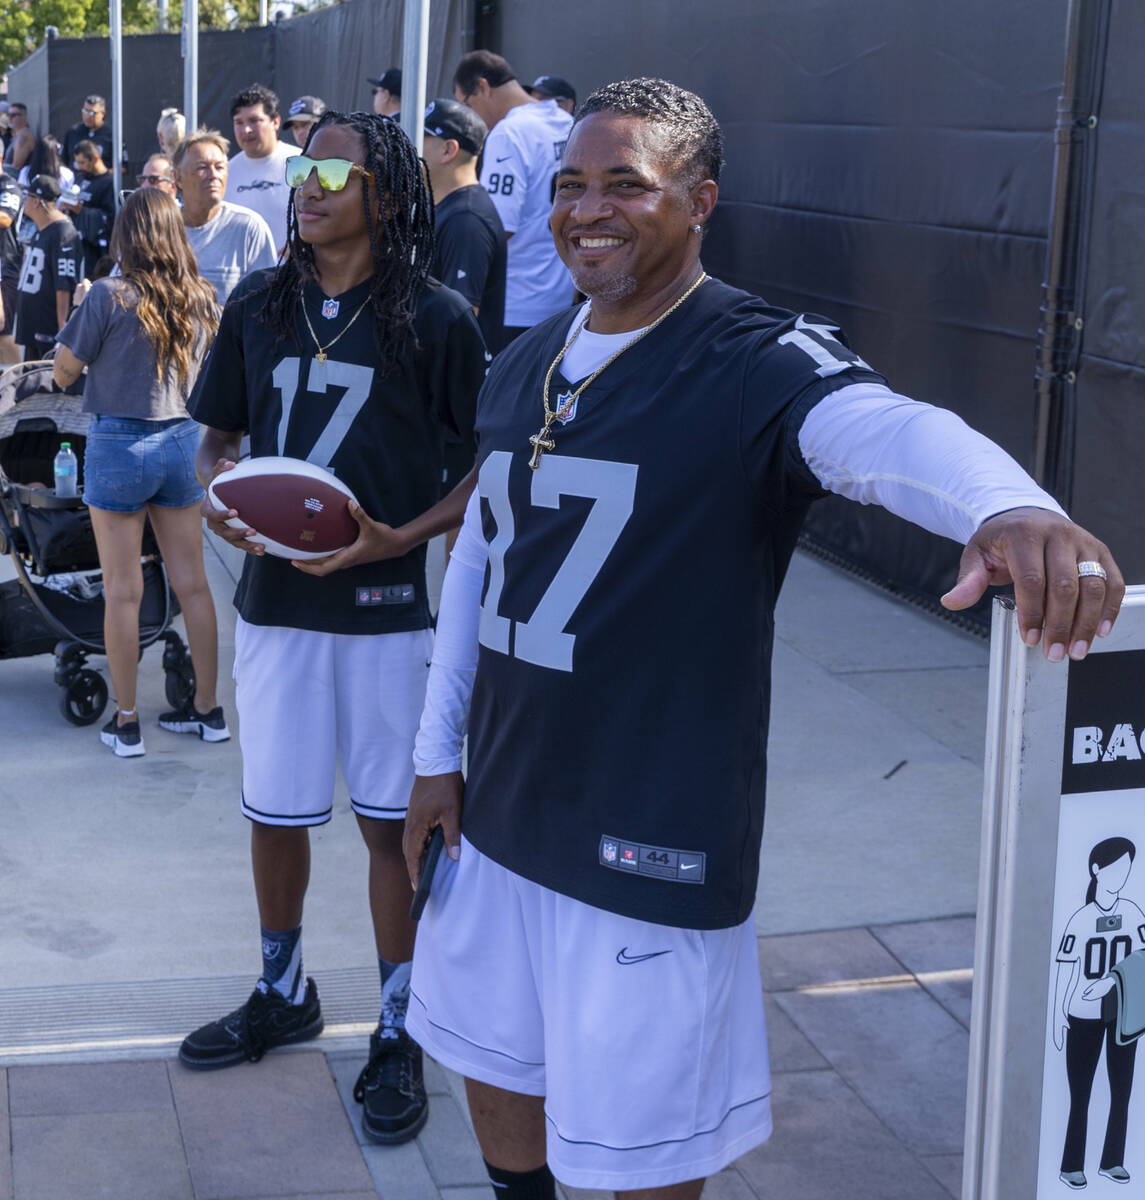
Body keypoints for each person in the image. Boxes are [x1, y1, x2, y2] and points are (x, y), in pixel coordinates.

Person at [400, 78, 1125, 1200]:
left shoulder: (750, 354)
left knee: (646, 1153)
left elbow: (879, 430)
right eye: (570, 185)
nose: (586, 209)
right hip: (495, 811)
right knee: (492, 1062)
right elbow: (479, 571)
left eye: (625, 186)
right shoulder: (524, 356)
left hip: (644, 840)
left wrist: (1005, 505)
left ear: (698, 201)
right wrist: (433, 759)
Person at [179, 110, 487, 1148]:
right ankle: (283, 988)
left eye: (332, 170)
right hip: (277, 611)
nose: (306, 184)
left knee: (390, 826)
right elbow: (215, 442)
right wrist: (222, 496)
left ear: (387, 198)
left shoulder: (437, 317)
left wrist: (402, 534)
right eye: (301, 166)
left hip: (387, 613)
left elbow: (490, 466)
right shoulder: (258, 308)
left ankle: (397, 1026)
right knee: (275, 812)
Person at [50, 189, 226, 757]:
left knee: (123, 592)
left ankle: (126, 723)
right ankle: (208, 710)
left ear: (127, 235)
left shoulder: (106, 295)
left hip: (119, 445)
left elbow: (62, 373)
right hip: (182, 441)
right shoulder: (201, 296)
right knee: (193, 584)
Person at [453, 50, 574, 341]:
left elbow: (496, 227)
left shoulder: (509, 133)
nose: (469, 116)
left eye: (466, 104)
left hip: (516, 303)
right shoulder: (565, 121)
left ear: (482, 86)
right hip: (561, 296)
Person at [1052, 837, 1144, 1189]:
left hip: (1121, 1012)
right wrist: (1060, 1013)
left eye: (1128, 867)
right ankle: (1071, 1165)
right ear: (1096, 870)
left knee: (1122, 1090)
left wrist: (1111, 980)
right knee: (1081, 1093)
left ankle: (1112, 1161)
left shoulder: (1134, 913)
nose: (1123, 874)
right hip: (1083, 1015)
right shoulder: (1081, 918)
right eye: (1116, 867)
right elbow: (1065, 967)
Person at [424, 97, 507, 353]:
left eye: (420, 138)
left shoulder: (466, 219)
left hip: (452, 382)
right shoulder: (447, 207)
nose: (409, 146)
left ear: (449, 150)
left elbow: (459, 320)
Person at [174, 129, 277, 303]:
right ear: (178, 178)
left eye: (220, 167)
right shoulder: (161, 227)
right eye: (202, 168)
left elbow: (266, 299)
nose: (214, 175)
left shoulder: (248, 228)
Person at [224, 83, 300, 250]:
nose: (247, 130)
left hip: (296, 272)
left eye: (254, 120)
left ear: (276, 122)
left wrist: (302, 247)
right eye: (239, 122)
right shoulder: (225, 173)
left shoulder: (301, 161)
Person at [14, 175, 82, 360]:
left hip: (48, 327)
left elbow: (64, 284)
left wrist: (62, 327)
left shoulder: (63, 232)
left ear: (37, 201)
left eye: (26, 196)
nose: (23, 200)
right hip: (32, 324)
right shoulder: (41, 229)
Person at [68, 139, 116, 276]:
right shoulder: (82, 177)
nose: (79, 167)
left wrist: (82, 211)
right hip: (76, 244)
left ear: (95, 159)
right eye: (77, 162)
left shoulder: (109, 183)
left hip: (95, 251)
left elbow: (110, 217)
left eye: (82, 163)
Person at [0, 175, 23, 363]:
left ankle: (14, 383)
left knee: (3, 332)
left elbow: (5, 218)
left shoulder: (8, 184)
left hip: (5, 269)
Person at [62, 95, 112, 166]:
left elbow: (123, 167)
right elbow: (62, 161)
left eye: (92, 113)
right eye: (85, 111)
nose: (87, 116)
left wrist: (102, 174)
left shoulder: (112, 136)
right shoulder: (72, 132)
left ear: (102, 113)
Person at [2, 103, 34, 174]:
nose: (9, 118)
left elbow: (16, 168)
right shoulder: (17, 136)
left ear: (24, 117)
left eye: (13, 115)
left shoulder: (24, 136)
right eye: (8, 115)